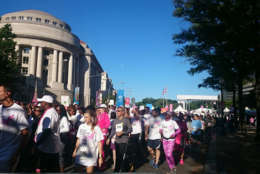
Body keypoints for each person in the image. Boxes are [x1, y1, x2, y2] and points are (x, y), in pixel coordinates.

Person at [0, 84, 29, 172]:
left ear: (8, 93)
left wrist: (17, 153)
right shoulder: (0, 108)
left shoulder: (18, 110)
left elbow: (25, 133)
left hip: (9, 153)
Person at [34, 95, 61, 172]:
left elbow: (47, 131)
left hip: (47, 148)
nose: (40, 104)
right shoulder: (50, 112)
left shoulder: (50, 113)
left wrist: (38, 143)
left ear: (46, 103)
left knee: (44, 169)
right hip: (48, 147)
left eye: (41, 102)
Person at [72, 108, 103, 174]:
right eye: (84, 117)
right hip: (80, 154)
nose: (85, 119)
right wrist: (75, 150)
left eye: (86, 117)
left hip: (91, 156)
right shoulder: (81, 126)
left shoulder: (96, 128)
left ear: (91, 117)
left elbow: (99, 143)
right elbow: (78, 140)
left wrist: (100, 157)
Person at [108, 106, 132, 172]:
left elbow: (130, 129)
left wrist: (123, 132)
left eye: (118, 111)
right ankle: (121, 168)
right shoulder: (115, 120)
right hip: (117, 140)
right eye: (117, 110)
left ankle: (120, 169)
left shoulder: (126, 120)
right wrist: (109, 138)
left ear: (123, 112)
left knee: (121, 156)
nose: (117, 112)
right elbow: (113, 130)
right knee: (118, 155)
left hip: (124, 140)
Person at [96, 104, 110, 170]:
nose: (100, 109)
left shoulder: (106, 115)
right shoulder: (98, 115)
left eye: (101, 108)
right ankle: (98, 163)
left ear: (104, 109)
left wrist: (102, 128)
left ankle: (102, 164)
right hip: (97, 133)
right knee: (97, 149)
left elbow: (108, 124)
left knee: (101, 148)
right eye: (99, 108)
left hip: (103, 134)